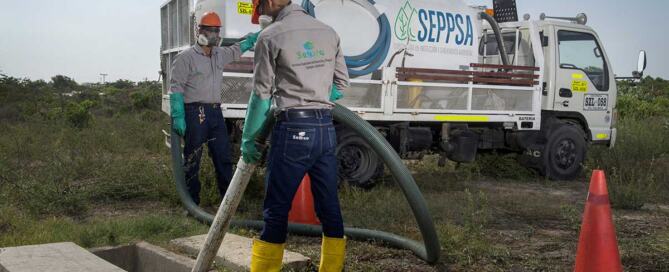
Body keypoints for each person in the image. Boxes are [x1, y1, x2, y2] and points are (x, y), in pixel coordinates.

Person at [241, 0, 348, 271]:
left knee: (276, 211)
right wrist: (318, 97)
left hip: (292, 130)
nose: (262, 13)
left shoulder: (270, 36)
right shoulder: (329, 32)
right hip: (325, 129)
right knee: (329, 209)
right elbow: (341, 84)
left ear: (270, 2)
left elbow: (261, 95)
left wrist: (250, 139)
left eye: (261, 7)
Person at [170, 11, 259, 205]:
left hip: (215, 112)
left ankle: (229, 204)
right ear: (199, 31)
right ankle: (192, 203)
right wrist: (178, 116)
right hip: (195, 113)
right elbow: (176, 89)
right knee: (193, 159)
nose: (214, 35)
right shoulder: (185, 58)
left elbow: (237, 49)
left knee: (223, 157)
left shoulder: (220, 54)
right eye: (209, 30)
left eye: (216, 31)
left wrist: (254, 38)